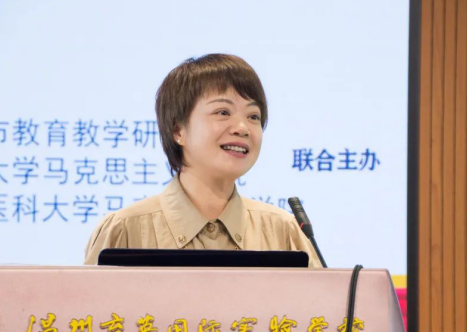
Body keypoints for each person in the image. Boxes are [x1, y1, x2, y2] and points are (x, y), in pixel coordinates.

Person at [83, 54, 322, 267]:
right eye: (223, 112)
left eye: (253, 116)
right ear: (178, 131)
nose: (242, 128)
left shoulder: (284, 231)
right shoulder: (124, 229)